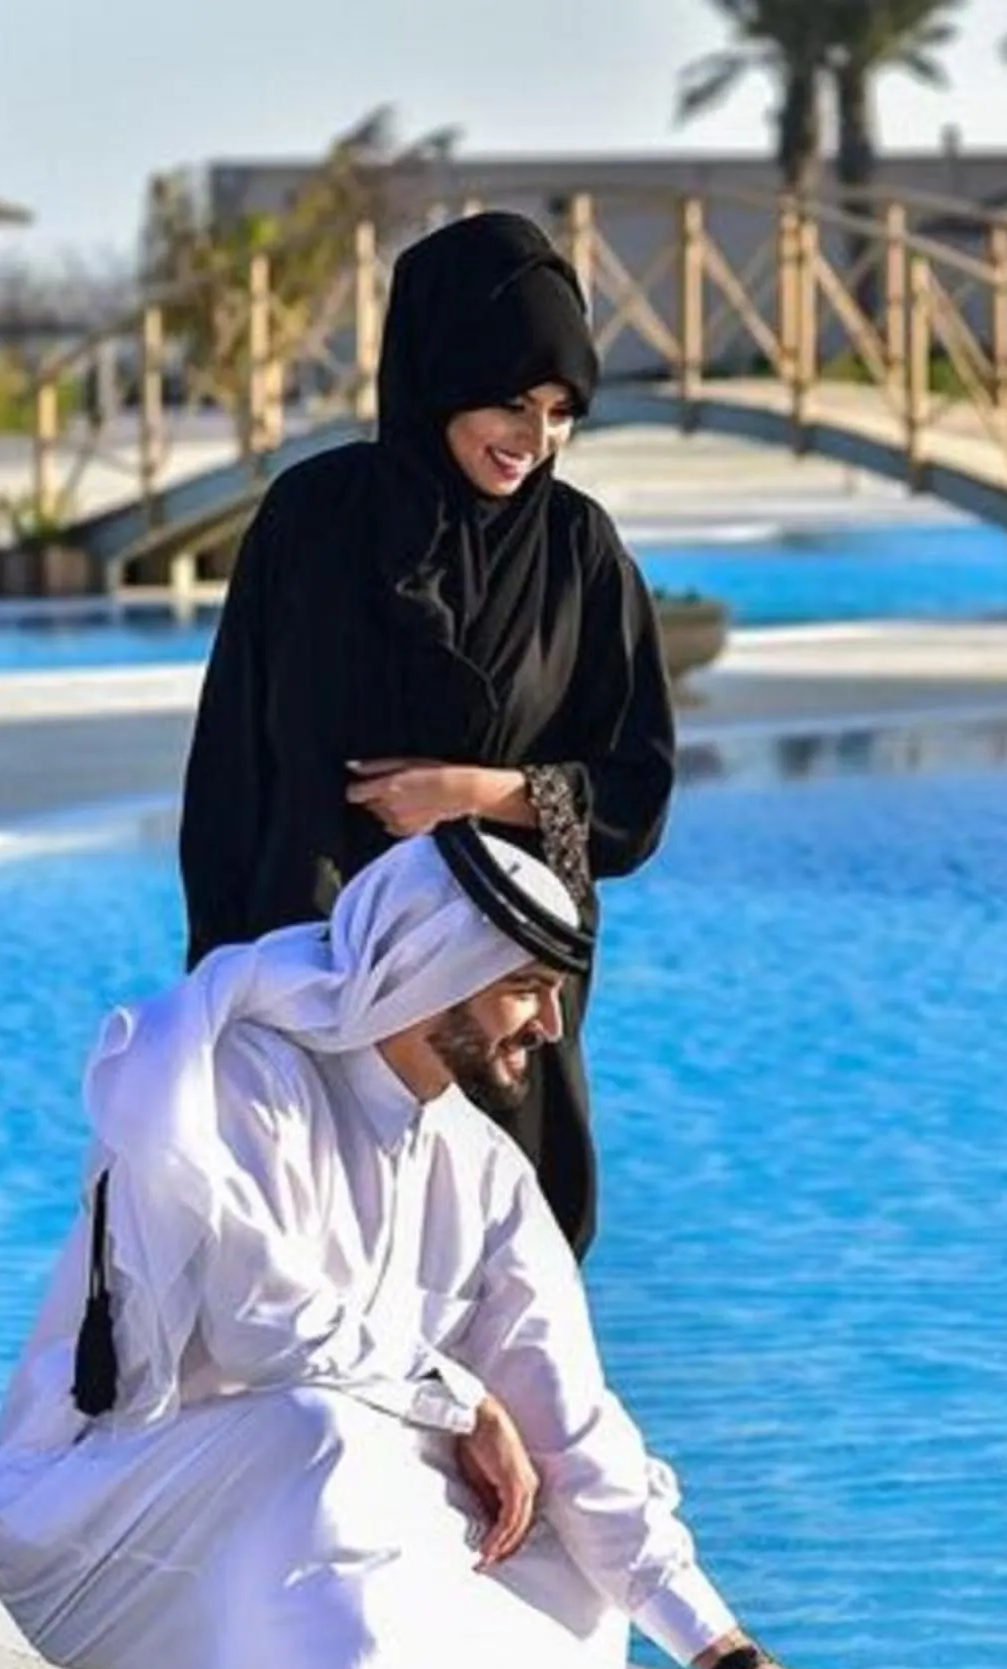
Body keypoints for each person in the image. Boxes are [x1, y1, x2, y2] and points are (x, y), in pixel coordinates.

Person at [0, 825, 862, 1669]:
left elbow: (574, 1428)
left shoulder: (481, 1170)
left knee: (564, 1533)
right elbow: (259, 1317)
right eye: (526, 988)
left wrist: (729, 1662)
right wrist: (462, 1403)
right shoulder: (249, 1079)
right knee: (323, 1430)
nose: (551, 1024)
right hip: (98, 1512)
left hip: (273, 1495)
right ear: (440, 973)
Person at [176, 209, 676, 1256]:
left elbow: (634, 799)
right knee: (315, 1283)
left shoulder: (579, 552)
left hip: (498, 1015)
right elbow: (230, 776)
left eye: (561, 412)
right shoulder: (313, 522)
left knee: (503, 1284)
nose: (534, 438)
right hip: (316, 987)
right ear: (440, 376)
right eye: (511, 402)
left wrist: (471, 792)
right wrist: (217, 998)